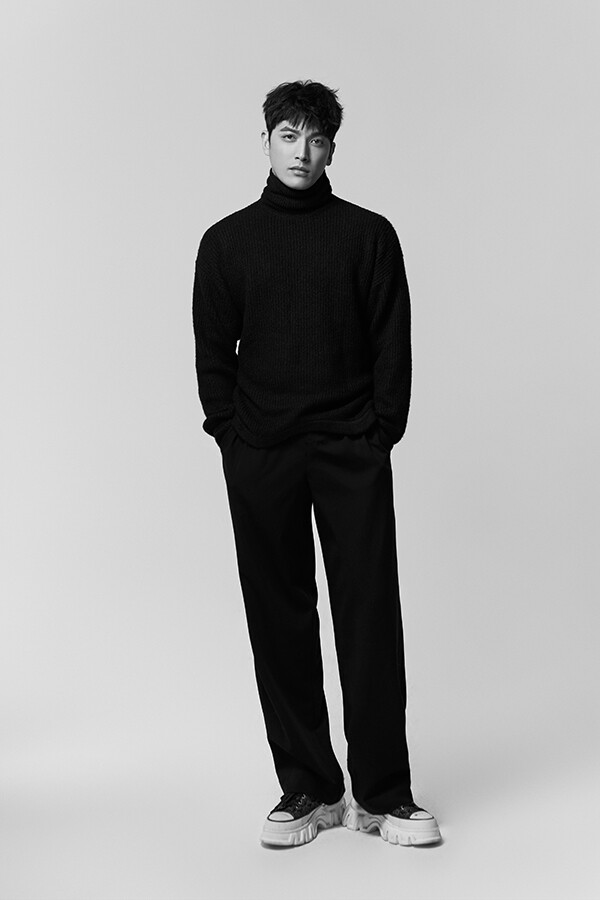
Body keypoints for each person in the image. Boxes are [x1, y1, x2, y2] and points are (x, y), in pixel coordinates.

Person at [192, 79, 440, 848]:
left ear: (334, 148)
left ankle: (384, 795)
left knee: (370, 616)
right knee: (280, 619)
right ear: (266, 141)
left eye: (318, 138)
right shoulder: (227, 242)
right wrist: (234, 437)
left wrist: (378, 434)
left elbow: (391, 344)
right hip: (261, 452)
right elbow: (213, 354)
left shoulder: (368, 236)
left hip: (349, 450)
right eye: (289, 135)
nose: (303, 152)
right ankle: (310, 788)